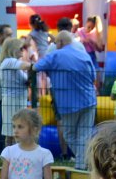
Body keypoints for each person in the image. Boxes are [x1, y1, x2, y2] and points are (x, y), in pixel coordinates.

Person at [34, 31, 100, 168]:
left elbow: (36, 67)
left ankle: (82, 164)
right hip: (89, 100)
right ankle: (86, 162)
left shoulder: (55, 55)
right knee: (85, 134)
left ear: (60, 42)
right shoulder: (83, 54)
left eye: (55, 43)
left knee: (69, 134)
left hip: (67, 103)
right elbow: (93, 76)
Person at [0, 108, 54, 179]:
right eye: (14, 126)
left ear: (34, 130)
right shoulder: (9, 151)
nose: (15, 130)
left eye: (20, 127)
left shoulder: (44, 154)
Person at [0, 38, 35, 143]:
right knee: (13, 133)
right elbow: (27, 66)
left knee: (14, 133)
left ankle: (12, 157)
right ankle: (9, 157)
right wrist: (35, 65)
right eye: (20, 48)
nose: (22, 51)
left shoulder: (12, 62)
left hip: (17, 100)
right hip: (12, 101)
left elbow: (24, 77)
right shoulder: (9, 61)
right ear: (12, 49)